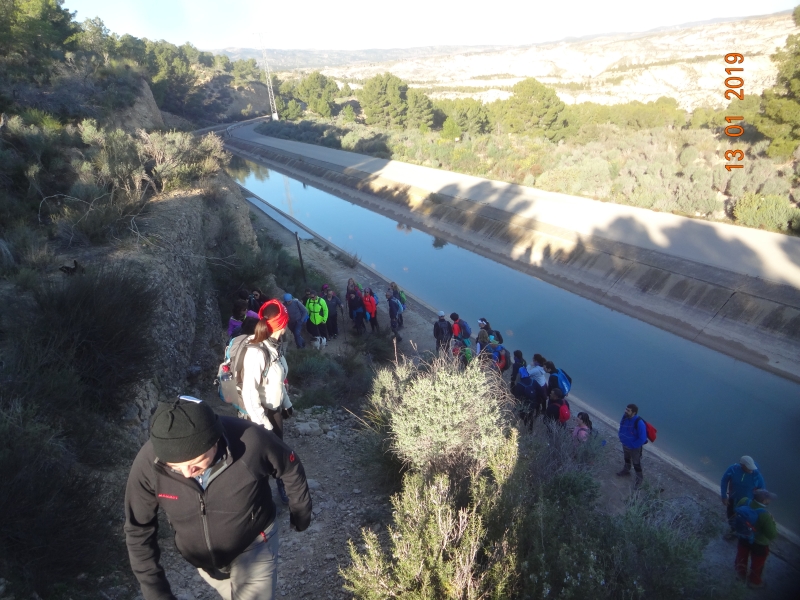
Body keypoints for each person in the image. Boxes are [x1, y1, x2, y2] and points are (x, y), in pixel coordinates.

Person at [124, 397, 312, 600]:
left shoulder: (251, 440)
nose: (187, 473)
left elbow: (290, 465)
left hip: (254, 545)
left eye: (196, 463)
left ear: (215, 441)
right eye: (175, 467)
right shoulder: (148, 464)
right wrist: (156, 593)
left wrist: (301, 513)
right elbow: (138, 530)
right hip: (204, 563)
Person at [241, 300, 295, 503]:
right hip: (260, 414)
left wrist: (286, 404)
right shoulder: (257, 352)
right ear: (282, 324)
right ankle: (260, 498)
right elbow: (249, 392)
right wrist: (263, 424)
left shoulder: (273, 347)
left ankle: (280, 487)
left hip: (274, 410)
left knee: (277, 452)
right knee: (261, 457)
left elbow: (278, 381)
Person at [734, 489, 778, 589]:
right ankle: (754, 582)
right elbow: (772, 535)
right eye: (769, 499)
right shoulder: (765, 515)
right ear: (764, 501)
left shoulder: (744, 500)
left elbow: (737, 510)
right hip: (759, 543)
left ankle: (740, 575)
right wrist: (773, 522)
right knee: (758, 563)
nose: (770, 500)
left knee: (741, 556)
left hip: (744, 536)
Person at [721, 456, 766, 538]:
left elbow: (762, 492)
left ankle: (741, 532)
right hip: (733, 499)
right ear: (742, 465)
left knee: (744, 518)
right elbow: (724, 481)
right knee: (730, 515)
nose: (751, 470)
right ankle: (733, 530)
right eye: (749, 468)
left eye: (752, 468)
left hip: (747, 503)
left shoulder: (757, 476)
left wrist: (758, 506)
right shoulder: (733, 469)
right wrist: (724, 496)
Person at [617, 403, 647, 487]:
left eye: (628, 410)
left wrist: (633, 445)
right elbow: (621, 425)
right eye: (626, 409)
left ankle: (639, 479)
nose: (625, 411)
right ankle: (626, 470)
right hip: (625, 444)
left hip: (634, 448)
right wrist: (621, 436)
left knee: (636, 463)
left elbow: (642, 438)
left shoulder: (639, 423)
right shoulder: (625, 417)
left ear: (634, 412)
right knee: (626, 458)